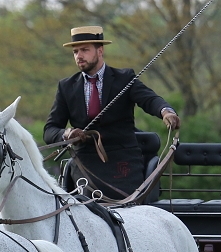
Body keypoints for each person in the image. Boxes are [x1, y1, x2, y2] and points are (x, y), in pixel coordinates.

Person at [43, 26, 180, 200]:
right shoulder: (66, 87)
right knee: (86, 207)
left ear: (100, 51)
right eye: (75, 51)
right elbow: (50, 130)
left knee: (126, 207)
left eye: (85, 50)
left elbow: (150, 99)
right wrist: (66, 133)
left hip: (123, 162)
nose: (79, 56)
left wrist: (166, 112)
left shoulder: (124, 78)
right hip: (85, 162)